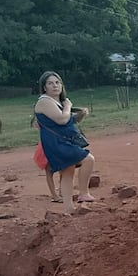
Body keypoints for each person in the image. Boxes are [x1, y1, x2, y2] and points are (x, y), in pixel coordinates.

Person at [33, 71, 95, 214]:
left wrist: (77, 115)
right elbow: (61, 119)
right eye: (50, 83)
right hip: (58, 143)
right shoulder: (44, 101)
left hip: (59, 142)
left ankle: (69, 208)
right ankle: (83, 193)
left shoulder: (52, 102)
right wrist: (67, 105)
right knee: (88, 159)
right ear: (44, 87)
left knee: (68, 172)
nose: (55, 86)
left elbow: (62, 121)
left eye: (57, 82)